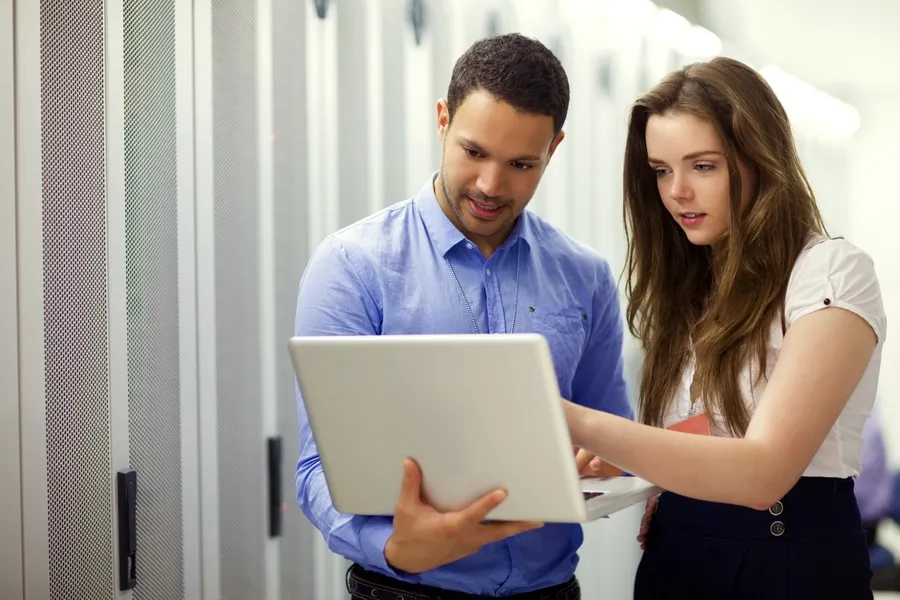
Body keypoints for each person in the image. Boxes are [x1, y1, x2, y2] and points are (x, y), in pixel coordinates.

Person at [293, 33, 632, 599]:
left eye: (522, 163)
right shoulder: (353, 265)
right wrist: (394, 547)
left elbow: (614, 443)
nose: (491, 186)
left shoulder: (585, 276)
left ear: (555, 148)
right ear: (443, 120)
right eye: (474, 152)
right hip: (404, 589)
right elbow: (315, 471)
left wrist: (605, 460)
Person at [561, 56, 887, 599]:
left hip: (785, 560)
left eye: (703, 166)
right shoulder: (693, 280)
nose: (677, 192)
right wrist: (639, 456)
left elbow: (762, 472)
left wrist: (578, 422)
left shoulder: (831, 273)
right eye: (661, 170)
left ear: (761, 158)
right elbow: (722, 420)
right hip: (679, 556)